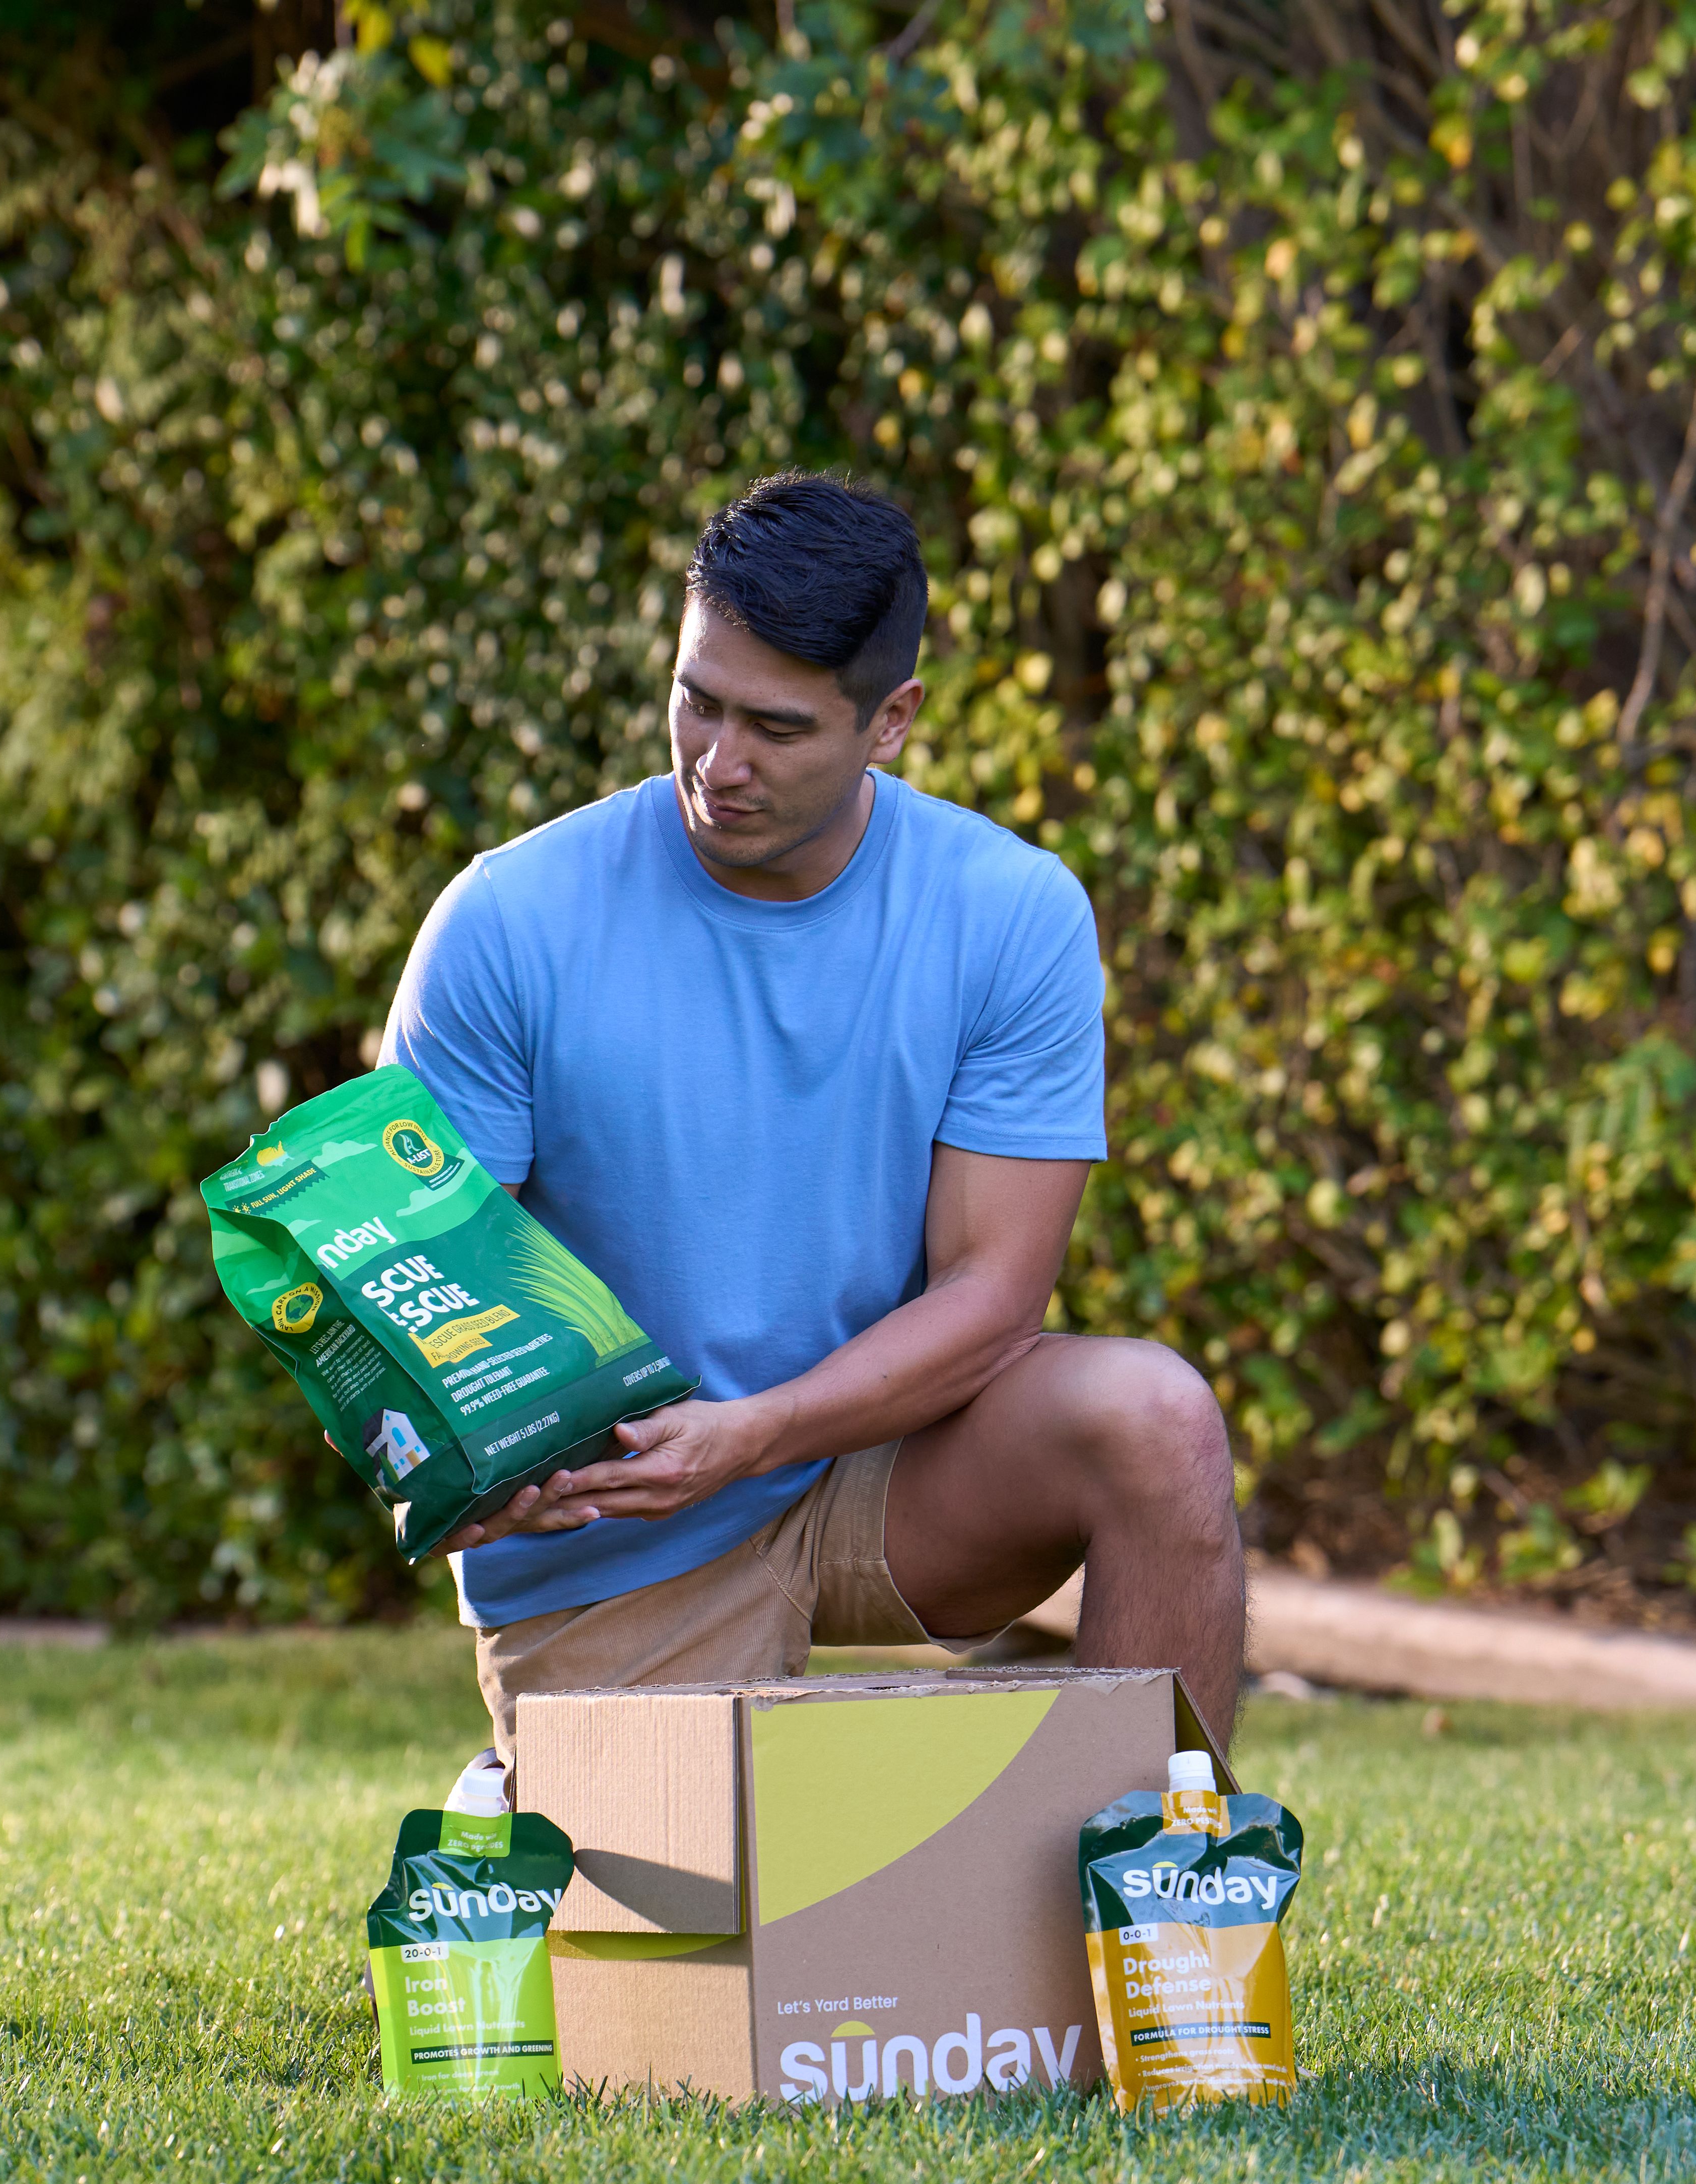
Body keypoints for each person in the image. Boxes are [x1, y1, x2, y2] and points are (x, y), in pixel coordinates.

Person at [380, 472, 1246, 1754]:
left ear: (888, 721)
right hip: (629, 1520)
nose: (717, 765)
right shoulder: (508, 922)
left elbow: (993, 1298)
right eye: (695, 700)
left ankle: (1169, 1919)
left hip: (876, 1462)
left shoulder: (1008, 913)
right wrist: (454, 1467)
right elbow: (417, 1299)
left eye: (776, 729)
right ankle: (522, 1811)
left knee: (1155, 1422)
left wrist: (757, 1434)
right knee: (723, 1944)